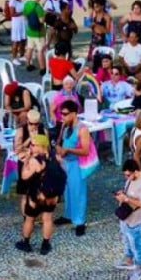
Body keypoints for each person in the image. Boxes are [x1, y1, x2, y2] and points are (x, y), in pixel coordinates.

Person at [15, 135, 62, 255]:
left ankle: (26, 243)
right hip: (51, 195)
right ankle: (45, 245)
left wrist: (26, 162)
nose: (31, 146)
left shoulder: (34, 161)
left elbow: (24, 176)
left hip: (35, 195)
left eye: (34, 145)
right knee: (47, 218)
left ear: (42, 146)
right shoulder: (56, 157)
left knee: (30, 219)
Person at [56, 101, 94, 236]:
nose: (63, 116)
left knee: (78, 192)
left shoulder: (82, 129)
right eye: (61, 113)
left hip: (77, 164)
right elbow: (60, 141)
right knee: (67, 191)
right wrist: (59, 149)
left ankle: (80, 221)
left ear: (74, 113)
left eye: (65, 114)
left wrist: (68, 150)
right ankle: (68, 214)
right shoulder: (66, 127)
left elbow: (85, 151)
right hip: (66, 163)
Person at [114, 159, 141, 280]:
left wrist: (126, 199)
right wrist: (121, 195)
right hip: (126, 217)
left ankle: (140, 268)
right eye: (125, 175)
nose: (127, 177)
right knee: (126, 240)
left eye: (128, 175)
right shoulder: (130, 180)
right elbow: (127, 193)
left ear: (135, 172)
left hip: (137, 220)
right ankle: (129, 261)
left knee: (137, 245)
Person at [23, 0, 47, 72]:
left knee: (29, 48)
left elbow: (25, 17)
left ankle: (28, 65)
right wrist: (45, 14)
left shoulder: (27, 4)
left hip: (30, 32)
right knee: (40, 51)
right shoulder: (38, 7)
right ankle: (42, 68)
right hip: (39, 33)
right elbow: (41, 21)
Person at [7, 0, 28, 64]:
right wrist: (22, 13)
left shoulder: (21, 0)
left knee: (23, 40)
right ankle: (14, 58)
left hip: (23, 23)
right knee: (16, 42)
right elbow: (12, 14)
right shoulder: (12, 1)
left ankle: (22, 55)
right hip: (16, 24)